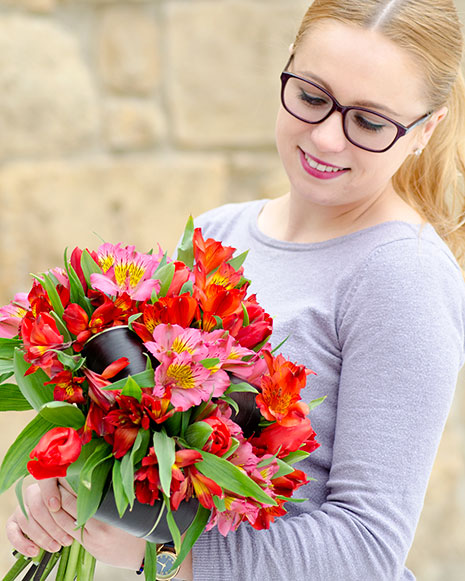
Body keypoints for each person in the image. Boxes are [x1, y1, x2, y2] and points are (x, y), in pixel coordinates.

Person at [5, 0, 465, 579]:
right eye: (311, 96)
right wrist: (73, 490)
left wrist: (164, 550)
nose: (326, 139)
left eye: (370, 122)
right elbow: (149, 459)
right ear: (287, 68)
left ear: (426, 130)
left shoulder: (403, 275)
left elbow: (367, 550)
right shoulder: (220, 234)